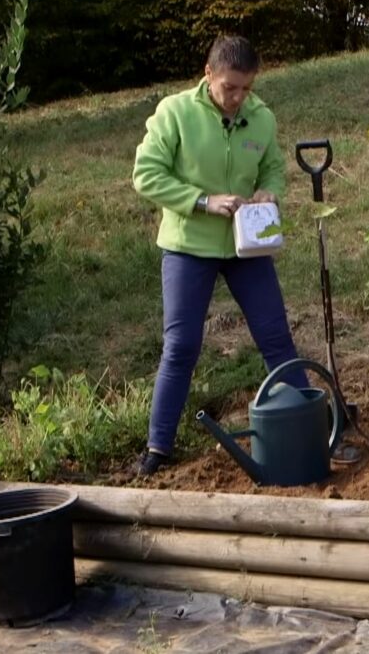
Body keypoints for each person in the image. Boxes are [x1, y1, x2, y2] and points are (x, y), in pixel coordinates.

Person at [132, 35, 309, 476]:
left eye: (246, 88)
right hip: (188, 245)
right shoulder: (175, 113)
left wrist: (271, 190)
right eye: (230, 87)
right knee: (182, 345)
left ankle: (311, 429)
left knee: (276, 338)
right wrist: (201, 200)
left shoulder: (260, 117)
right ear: (208, 74)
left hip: (245, 245)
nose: (237, 98)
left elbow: (271, 165)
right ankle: (158, 447)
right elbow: (146, 175)